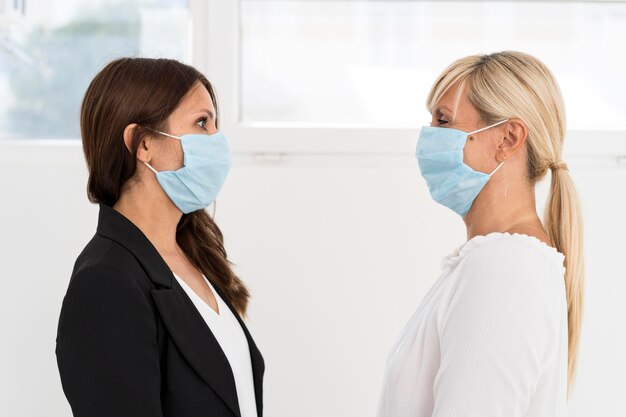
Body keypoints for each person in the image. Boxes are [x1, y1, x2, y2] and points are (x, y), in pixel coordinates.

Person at [377, 51, 584, 417]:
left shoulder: (507, 268)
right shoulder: (491, 261)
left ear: (508, 137)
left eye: (443, 121)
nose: (428, 138)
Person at [55, 57, 264, 417]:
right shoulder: (106, 282)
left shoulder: (193, 255)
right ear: (143, 144)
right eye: (202, 122)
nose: (218, 140)